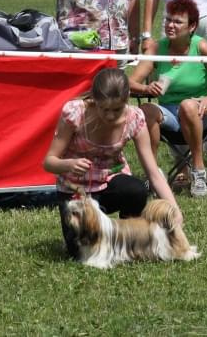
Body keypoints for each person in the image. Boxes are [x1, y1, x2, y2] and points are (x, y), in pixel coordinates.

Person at [44, 68, 183, 258]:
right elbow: (49, 162)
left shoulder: (135, 118)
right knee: (77, 253)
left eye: (117, 109)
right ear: (94, 99)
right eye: (104, 109)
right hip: (77, 192)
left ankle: (126, 240)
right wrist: (69, 164)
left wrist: (174, 210)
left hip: (110, 184)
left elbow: (153, 173)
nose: (110, 116)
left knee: (136, 189)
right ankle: (100, 239)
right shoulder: (74, 112)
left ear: (127, 99)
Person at [129, 0, 207, 198]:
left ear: (192, 26)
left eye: (178, 22)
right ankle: (153, 175)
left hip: (204, 112)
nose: (170, 25)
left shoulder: (201, 47)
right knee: (145, 110)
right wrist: (146, 90)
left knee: (188, 105)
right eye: (168, 20)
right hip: (169, 113)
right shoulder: (157, 48)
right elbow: (130, 83)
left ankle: (198, 171)